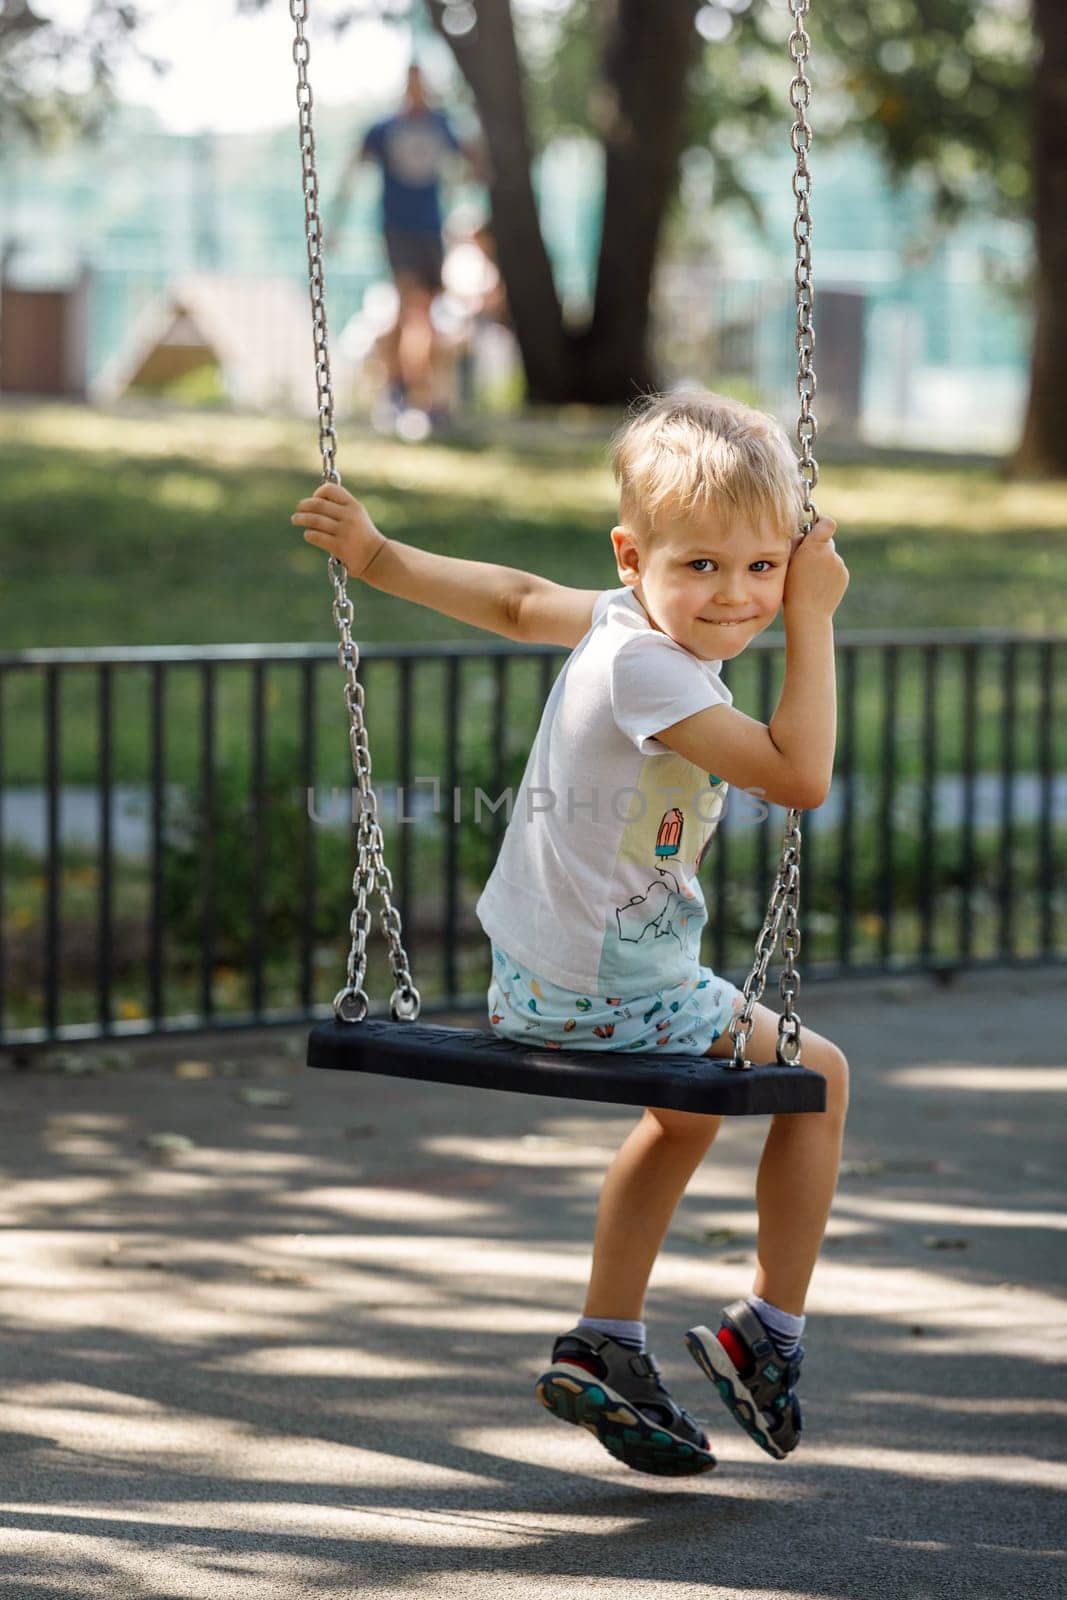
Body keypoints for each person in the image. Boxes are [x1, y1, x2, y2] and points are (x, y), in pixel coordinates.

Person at [291, 390, 851, 1478]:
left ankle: (607, 1338)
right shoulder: (647, 665)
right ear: (632, 553)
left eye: (760, 569)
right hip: (616, 985)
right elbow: (799, 773)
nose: (733, 598)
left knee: (679, 1120)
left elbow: (509, 601)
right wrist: (814, 619)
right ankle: (766, 1334)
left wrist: (376, 553)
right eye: (698, 567)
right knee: (819, 1077)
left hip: (547, 981)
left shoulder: (618, 621)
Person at [333, 63, 480, 425]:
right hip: (399, 230)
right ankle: (419, 396)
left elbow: (474, 161)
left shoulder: (441, 125)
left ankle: (400, 390)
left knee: (416, 313)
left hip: (431, 230)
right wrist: (336, 221)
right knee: (416, 312)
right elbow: (354, 168)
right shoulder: (386, 130)